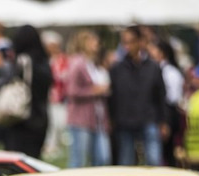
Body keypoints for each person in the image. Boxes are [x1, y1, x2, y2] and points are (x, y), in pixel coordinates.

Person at [109, 25, 167, 166]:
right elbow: (112, 97)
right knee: (126, 163)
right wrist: (112, 119)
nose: (127, 46)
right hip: (125, 122)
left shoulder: (153, 67)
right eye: (125, 42)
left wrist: (163, 121)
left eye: (131, 41)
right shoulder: (117, 68)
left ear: (140, 42)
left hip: (148, 119)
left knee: (153, 160)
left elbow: (160, 95)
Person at [2, 25, 53, 158]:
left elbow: (10, 82)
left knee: (17, 159)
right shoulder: (44, 62)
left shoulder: (23, 61)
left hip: (22, 117)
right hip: (41, 117)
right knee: (34, 159)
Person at [65, 29, 111, 167]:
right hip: (81, 119)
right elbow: (71, 90)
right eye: (93, 41)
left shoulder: (92, 63)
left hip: (96, 118)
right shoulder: (77, 63)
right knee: (78, 159)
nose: (97, 44)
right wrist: (94, 91)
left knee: (101, 157)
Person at [149, 40, 184, 167]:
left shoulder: (170, 72)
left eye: (153, 50)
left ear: (161, 53)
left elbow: (172, 98)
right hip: (160, 112)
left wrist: (165, 120)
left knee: (167, 151)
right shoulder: (155, 70)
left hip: (168, 112)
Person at [41, 30, 69, 160]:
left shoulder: (63, 59)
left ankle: (56, 146)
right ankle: (49, 147)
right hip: (48, 97)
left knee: (60, 123)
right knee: (51, 124)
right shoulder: (44, 59)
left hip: (61, 97)